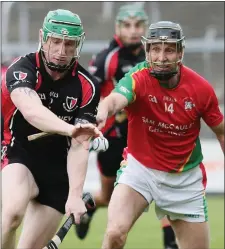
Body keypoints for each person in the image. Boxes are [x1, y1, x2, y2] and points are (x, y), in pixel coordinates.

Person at [96, 21, 224, 249]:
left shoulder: (201, 89)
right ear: (147, 51)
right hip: (139, 171)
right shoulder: (138, 77)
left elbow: (221, 132)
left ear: (180, 52)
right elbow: (116, 99)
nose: (161, 57)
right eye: (155, 49)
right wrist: (102, 112)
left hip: (184, 180)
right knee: (115, 233)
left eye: (169, 49)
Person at [76, 4, 178, 249]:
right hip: (113, 138)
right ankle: (89, 204)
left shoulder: (154, 55)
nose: (133, 31)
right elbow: (91, 95)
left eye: (138, 25)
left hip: (145, 135)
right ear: (118, 28)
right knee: (109, 196)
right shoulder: (106, 59)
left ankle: (170, 241)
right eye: (127, 25)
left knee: (162, 185)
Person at [1, 9, 102, 249]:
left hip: (59, 170)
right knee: (13, 213)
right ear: (42, 37)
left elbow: (79, 144)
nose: (61, 51)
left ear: (78, 44)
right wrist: (69, 129)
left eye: (69, 44)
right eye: (55, 41)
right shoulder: (22, 69)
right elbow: (32, 111)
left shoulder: (88, 86)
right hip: (19, 153)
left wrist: (75, 195)